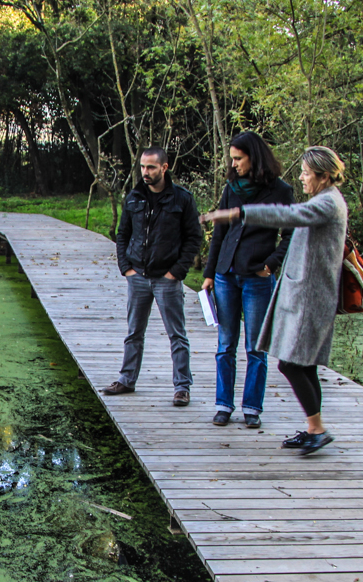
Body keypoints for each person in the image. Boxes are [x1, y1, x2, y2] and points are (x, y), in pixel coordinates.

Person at [200, 145, 347, 455]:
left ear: (323, 176)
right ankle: (313, 427)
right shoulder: (325, 200)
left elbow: (288, 216)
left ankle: (317, 428)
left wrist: (241, 212)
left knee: (291, 365)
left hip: (312, 297)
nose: (302, 178)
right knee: (303, 366)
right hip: (308, 294)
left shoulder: (327, 204)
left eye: (307, 174)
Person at [201, 132, 294, 429]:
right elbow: (220, 231)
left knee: (255, 347)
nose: (233, 163)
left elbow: (290, 234)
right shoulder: (232, 187)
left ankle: (252, 408)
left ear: (254, 157)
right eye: (232, 158)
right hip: (226, 274)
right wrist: (208, 273)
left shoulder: (280, 191)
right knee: (225, 343)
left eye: (238, 158)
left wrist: (271, 264)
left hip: (257, 276)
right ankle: (223, 405)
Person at [102, 146, 204, 407]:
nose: (145, 172)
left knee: (177, 334)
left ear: (164, 168)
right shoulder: (134, 197)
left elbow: (194, 238)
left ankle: (182, 387)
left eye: (151, 168)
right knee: (134, 332)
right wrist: (126, 267)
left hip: (167, 278)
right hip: (137, 275)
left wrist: (176, 272)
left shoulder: (182, 199)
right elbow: (122, 233)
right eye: (142, 167)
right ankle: (127, 380)